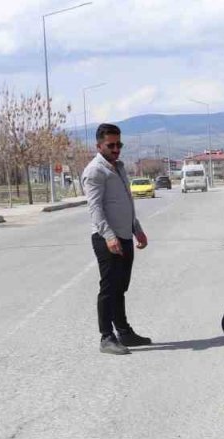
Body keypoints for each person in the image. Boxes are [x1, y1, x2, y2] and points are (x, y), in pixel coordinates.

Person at [83, 123, 151, 355]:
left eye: (118, 144)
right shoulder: (94, 171)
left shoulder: (119, 167)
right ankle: (106, 337)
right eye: (110, 145)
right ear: (99, 145)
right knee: (109, 288)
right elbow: (96, 209)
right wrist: (110, 237)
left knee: (121, 288)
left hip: (125, 236)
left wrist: (137, 229)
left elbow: (126, 203)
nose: (116, 149)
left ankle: (124, 332)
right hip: (106, 239)